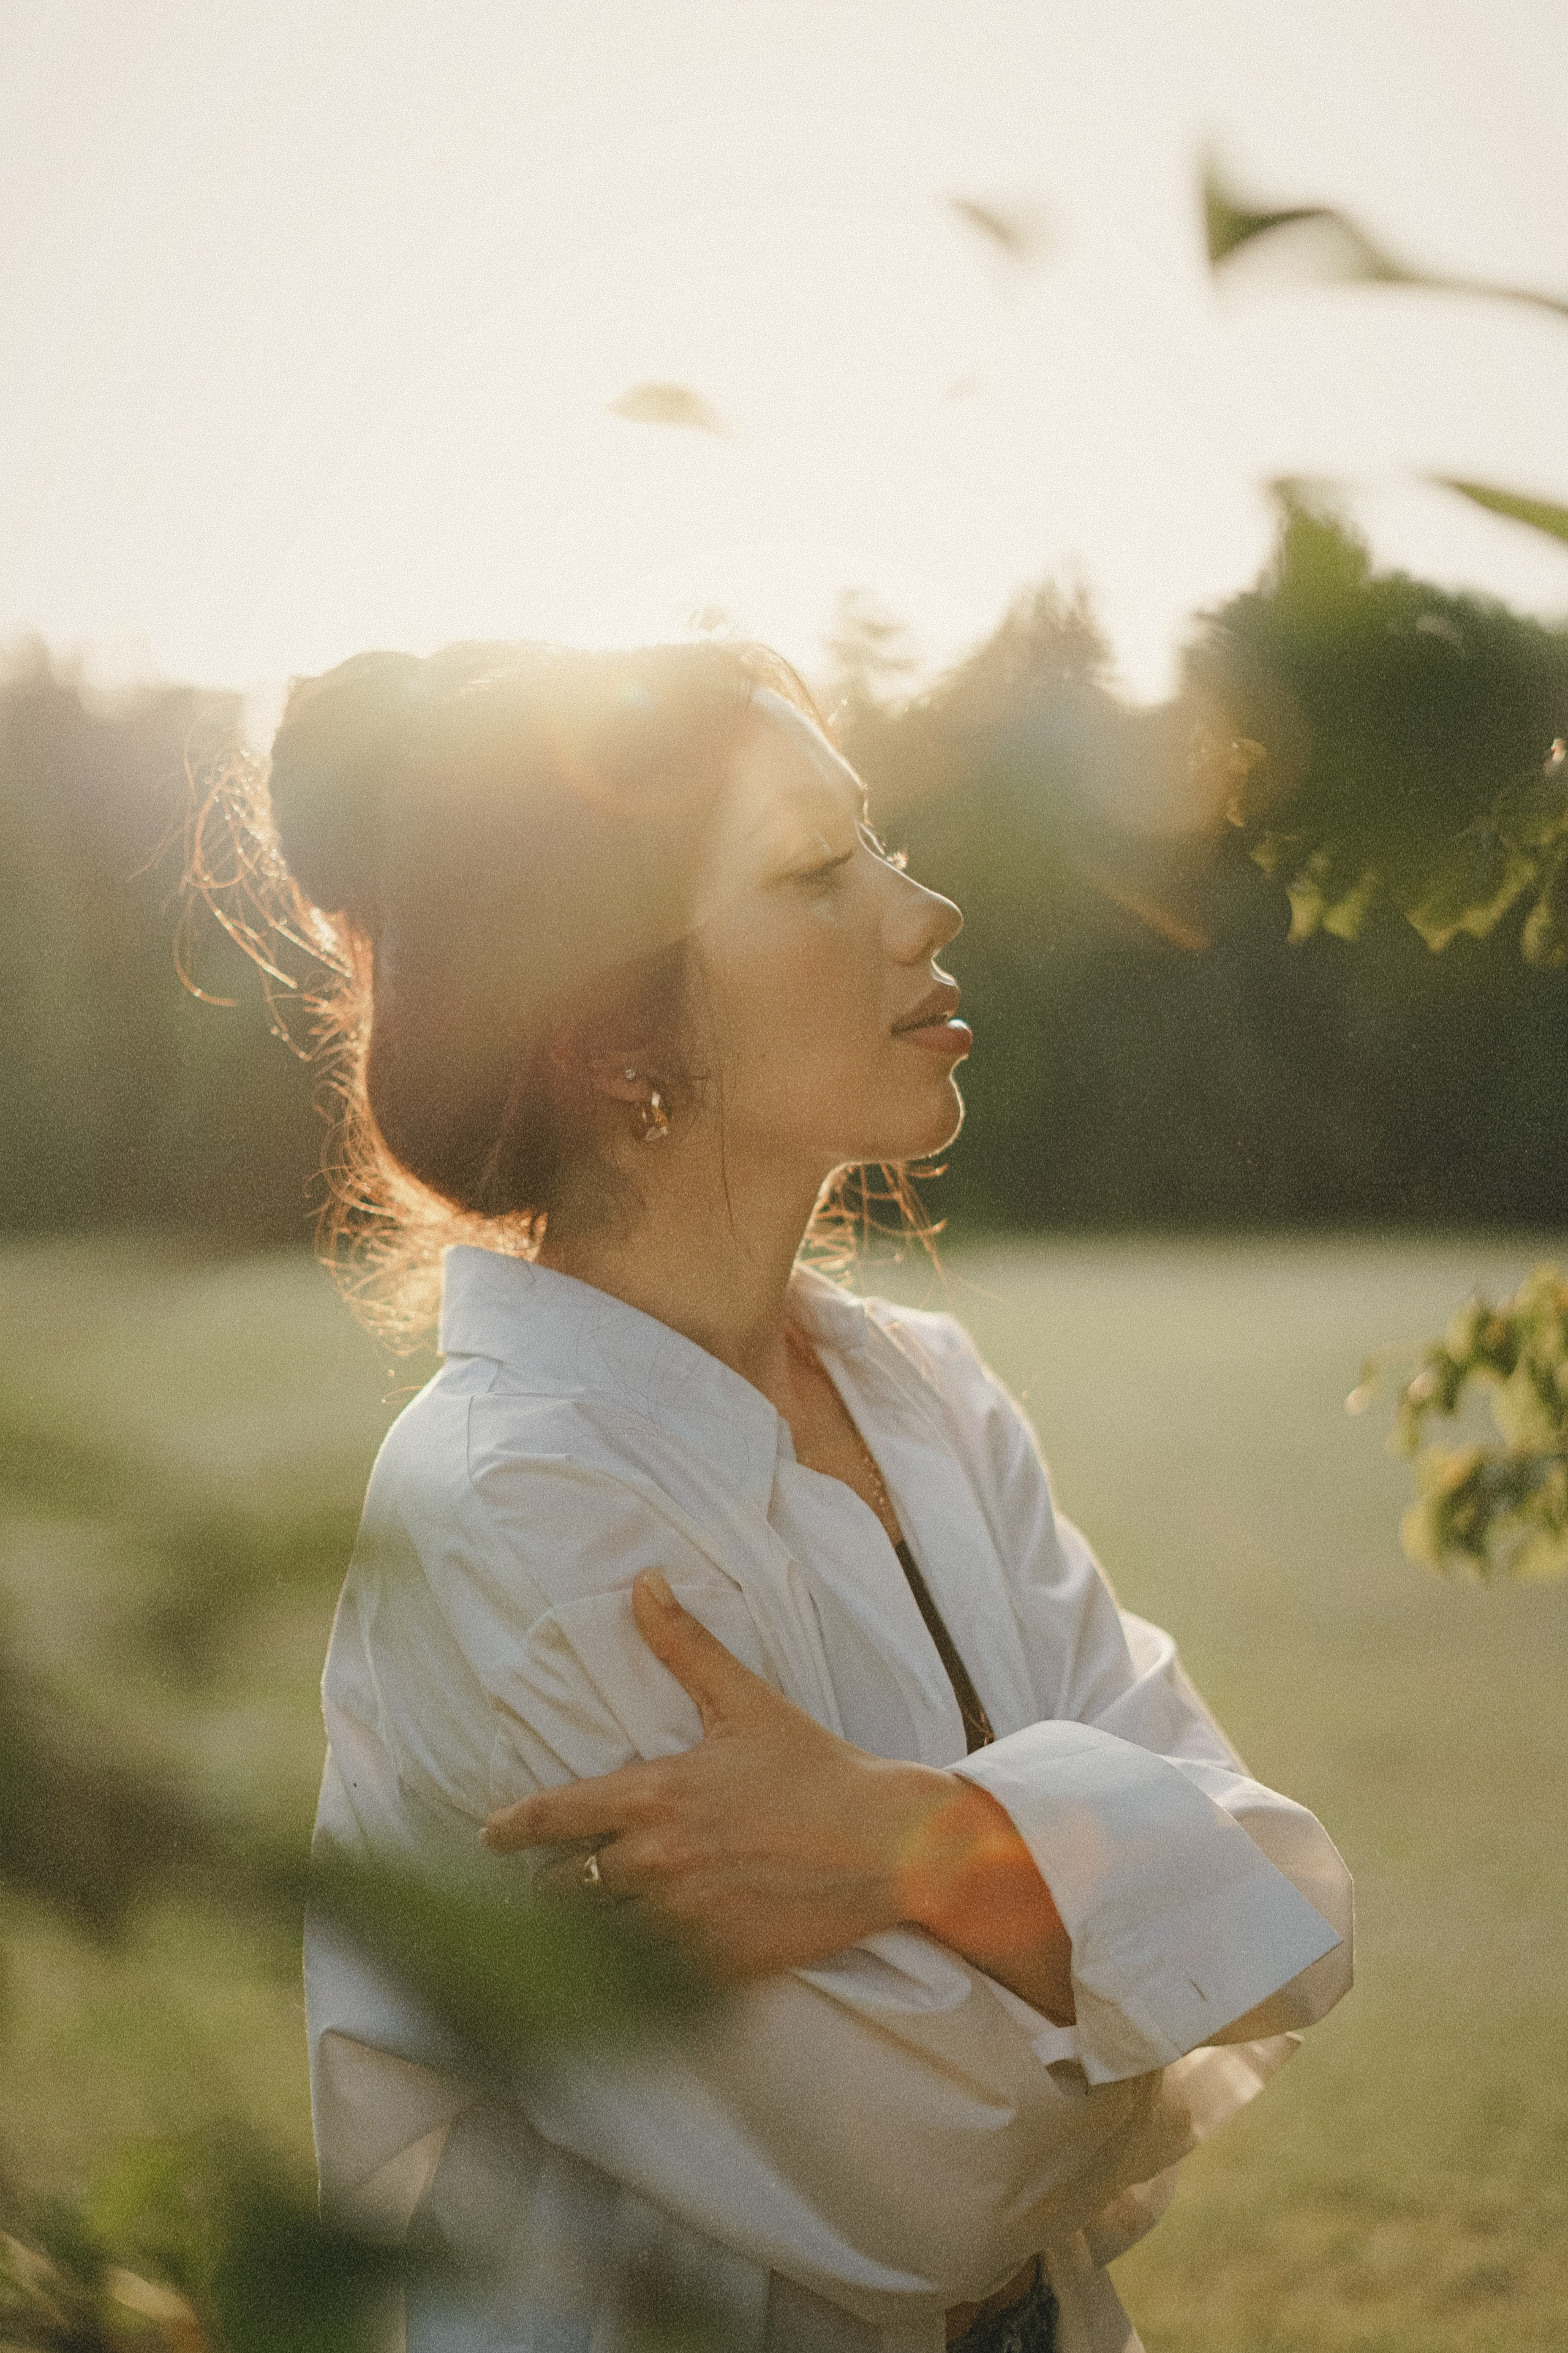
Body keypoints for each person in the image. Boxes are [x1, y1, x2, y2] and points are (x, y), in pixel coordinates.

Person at [245, 638, 1352, 2353]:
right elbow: (935, 2183)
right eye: (818, 872)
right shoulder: (523, 1517)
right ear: (623, 1045)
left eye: (879, 842)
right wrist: (1092, 1914)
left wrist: (897, 1842)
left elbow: (1289, 1901)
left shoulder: (929, 1398)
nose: (925, 910)